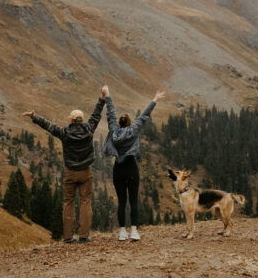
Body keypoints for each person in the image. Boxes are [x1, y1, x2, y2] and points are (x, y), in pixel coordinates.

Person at [23, 86, 106, 243]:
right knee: (85, 202)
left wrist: (34, 117)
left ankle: (68, 237)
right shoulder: (89, 129)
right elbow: (96, 115)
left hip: (70, 172)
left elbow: (49, 126)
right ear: (81, 120)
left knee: (68, 202)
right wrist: (101, 99)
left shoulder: (64, 132)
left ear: (71, 120)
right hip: (85, 172)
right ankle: (84, 235)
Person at [102, 86, 165, 241]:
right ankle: (134, 231)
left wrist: (108, 95)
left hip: (118, 169)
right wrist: (155, 99)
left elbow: (110, 114)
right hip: (131, 169)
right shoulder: (134, 130)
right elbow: (144, 115)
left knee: (122, 202)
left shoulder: (114, 130)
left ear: (119, 123)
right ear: (130, 123)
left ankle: (122, 232)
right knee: (133, 201)